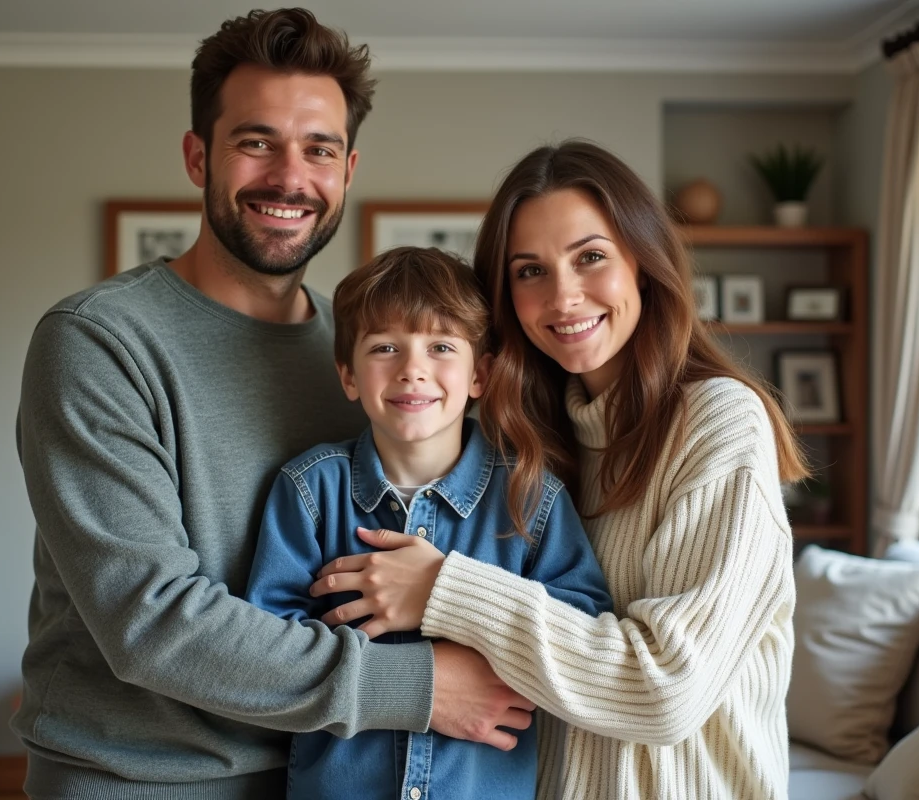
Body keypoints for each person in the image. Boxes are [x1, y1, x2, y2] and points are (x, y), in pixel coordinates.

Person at [11, 10, 533, 799]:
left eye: (317, 149)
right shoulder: (97, 342)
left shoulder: (371, 356)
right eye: (256, 142)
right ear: (198, 157)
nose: (290, 178)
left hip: (327, 773)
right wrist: (420, 686)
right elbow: (151, 623)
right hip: (141, 780)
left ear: (348, 169)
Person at [311, 140, 809, 800]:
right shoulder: (530, 441)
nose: (564, 296)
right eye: (530, 271)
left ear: (642, 261)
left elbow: (665, 693)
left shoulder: (719, 422)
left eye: (590, 258)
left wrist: (443, 589)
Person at [244, 246, 614, 800]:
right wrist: (415, 679)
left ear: (480, 375)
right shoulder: (308, 490)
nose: (412, 369)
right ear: (348, 375)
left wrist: (479, 631)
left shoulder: (530, 498)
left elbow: (579, 631)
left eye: (441, 347)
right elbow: (269, 654)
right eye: (385, 347)